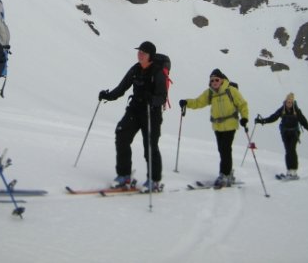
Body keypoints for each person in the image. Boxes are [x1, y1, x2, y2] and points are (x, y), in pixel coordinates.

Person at [98, 41, 167, 192]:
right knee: (122, 134)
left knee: (150, 146)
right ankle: (124, 176)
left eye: (143, 52)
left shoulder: (157, 73)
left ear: (150, 56)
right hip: (135, 109)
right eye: (139, 52)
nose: (140, 54)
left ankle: (154, 181)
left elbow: (162, 97)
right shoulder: (135, 69)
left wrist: (152, 100)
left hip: (151, 113)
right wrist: (108, 96)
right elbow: (122, 87)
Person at [179, 69, 249, 187]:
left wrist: (245, 117)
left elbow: (242, 104)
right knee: (222, 150)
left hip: (230, 124)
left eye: (217, 79)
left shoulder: (231, 91)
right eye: (212, 80)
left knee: (225, 149)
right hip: (217, 126)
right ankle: (228, 173)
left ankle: (224, 175)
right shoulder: (210, 93)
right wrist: (186, 102)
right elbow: (198, 102)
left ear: (222, 80)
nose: (214, 82)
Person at [255, 92, 308, 179]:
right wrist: (262, 121)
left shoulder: (297, 111)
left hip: (294, 133)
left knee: (291, 149)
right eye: (288, 101)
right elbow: (273, 117)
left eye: (290, 102)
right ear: (286, 101)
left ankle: (293, 171)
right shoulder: (282, 109)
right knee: (288, 151)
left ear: (293, 102)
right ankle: (290, 171)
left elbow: (304, 122)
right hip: (285, 133)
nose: (289, 103)